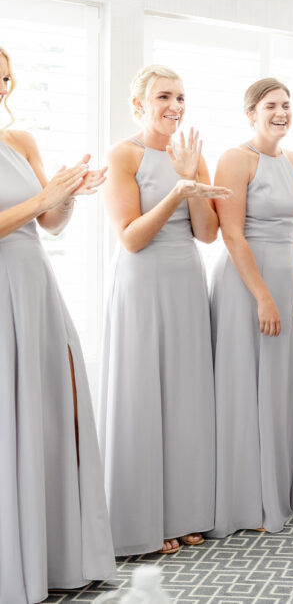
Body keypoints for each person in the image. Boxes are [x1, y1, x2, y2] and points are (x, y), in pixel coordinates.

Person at [0, 45, 114, 603]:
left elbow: (48, 220)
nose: (1, 89)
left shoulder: (19, 141)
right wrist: (46, 196)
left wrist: (68, 196)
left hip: (36, 286)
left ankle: (59, 555)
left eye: (5, 80)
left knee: (54, 409)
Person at [99, 64, 228, 556]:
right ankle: (142, 521)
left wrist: (191, 175)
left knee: (184, 395)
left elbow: (208, 233)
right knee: (143, 394)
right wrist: (176, 188)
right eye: (163, 97)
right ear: (139, 105)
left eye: (180, 97)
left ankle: (184, 511)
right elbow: (130, 238)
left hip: (185, 279)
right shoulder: (123, 154)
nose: (175, 106)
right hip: (142, 280)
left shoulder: (193, 155)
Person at [208, 78, 293, 537]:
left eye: (286, 105)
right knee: (244, 383)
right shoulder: (234, 159)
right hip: (245, 284)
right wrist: (263, 295)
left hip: (287, 278)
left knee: (280, 383)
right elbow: (231, 234)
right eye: (271, 105)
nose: (281, 112)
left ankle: (280, 490)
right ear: (250, 113)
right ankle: (245, 500)